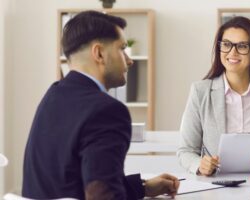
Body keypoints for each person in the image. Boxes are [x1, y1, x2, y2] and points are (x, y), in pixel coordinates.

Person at [22, 11, 179, 200]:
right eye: (122, 49)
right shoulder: (107, 111)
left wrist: (143, 187)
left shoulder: (53, 95)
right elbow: (104, 196)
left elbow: (81, 184)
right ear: (99, 53)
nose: (129, 61)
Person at [177, 16, 250, 176]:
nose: (232, 52)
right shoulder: (200, 92)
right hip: (216, 186)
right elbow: (185, 150)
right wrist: (200, 165)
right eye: (227, 45)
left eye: (242, 46)